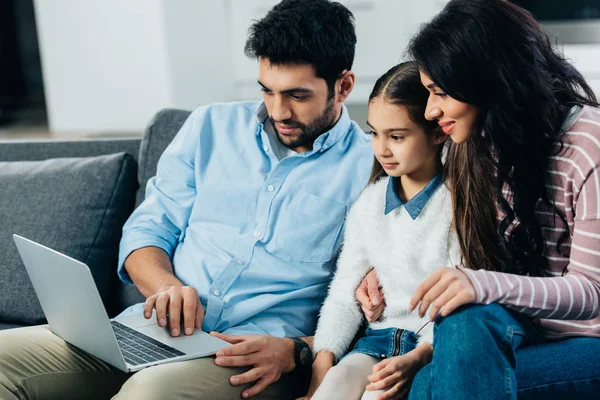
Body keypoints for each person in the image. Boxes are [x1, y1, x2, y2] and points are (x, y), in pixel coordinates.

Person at [0, 1, 374, 399]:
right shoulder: (210, 126)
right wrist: (164, 286)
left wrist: (298, 350)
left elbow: (379, 310)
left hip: (250, 356)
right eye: (267, 91)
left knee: (150, 393)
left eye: (298, 95)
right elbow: (148, 230)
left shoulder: (373, 167)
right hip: (150, 332)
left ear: (344, 86)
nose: (278, 110)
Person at [357, 1, 600, 398]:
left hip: (589, 342)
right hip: (523, 331)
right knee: (458, 328)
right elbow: (464, 264)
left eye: (439, 92)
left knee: (430, 386)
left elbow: (591, 293)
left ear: (488, 79)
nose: (431, 110)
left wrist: (482, 284)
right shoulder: (478, 143)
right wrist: (420, 348)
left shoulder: (589, 142)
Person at [298, 62, 458, 400]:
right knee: (335, 385)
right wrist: (322, 363)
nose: (381, 149)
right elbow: (344, 291)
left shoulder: (457, 203)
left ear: (438, 131)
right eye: (374, 133)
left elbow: (460, 303)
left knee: (377, 395)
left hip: (430, 348)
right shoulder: (369, 204)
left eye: (396, 137)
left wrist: (418, 357)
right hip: (376, 341)